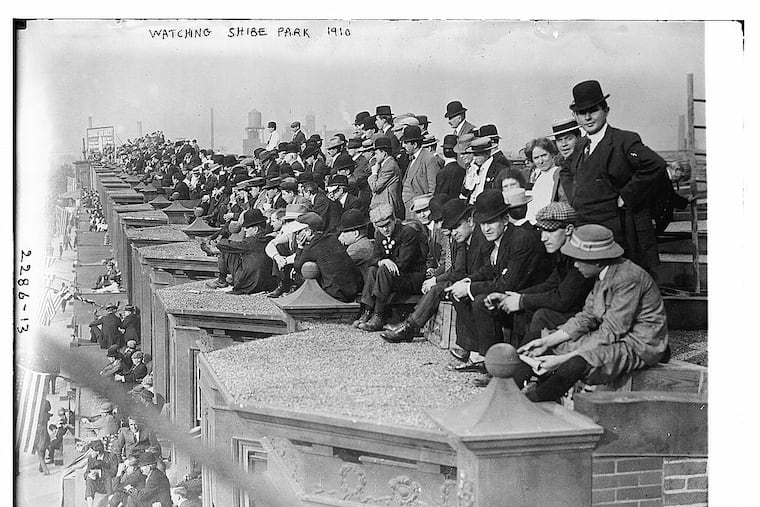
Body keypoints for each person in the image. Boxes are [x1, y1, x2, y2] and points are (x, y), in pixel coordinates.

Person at [516, 224, 669, 402]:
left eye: (579, 259)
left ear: (597, 260)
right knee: (537, 338)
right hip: (613, 336)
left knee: (577, 363)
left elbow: (612, 331)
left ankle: (534, 402)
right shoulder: (603, 273)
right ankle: (510, 395)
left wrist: (563, 358)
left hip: (638, 344)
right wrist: (546, 341)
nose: (575, 264)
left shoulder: (628, 278)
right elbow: (587, 316)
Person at [566, 79, 673, 272]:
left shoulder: (624, 140)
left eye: (594, 110)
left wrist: (627, 195)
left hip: (619, 230)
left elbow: (655, 165)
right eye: (582, 113)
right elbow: (568, 172)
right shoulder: (581, 145)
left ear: (606, 111)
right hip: (587, 229)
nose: (588, 117)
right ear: (576, 116)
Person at [445, 189, 550, 369]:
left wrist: (470, 289)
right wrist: (467, 282)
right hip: (512, 292)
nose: (486, 228)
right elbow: (490, 269)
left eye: (491, 222)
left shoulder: (520, 240)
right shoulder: (500, 238)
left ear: (505, 219)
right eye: (483, 223)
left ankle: (493, 363)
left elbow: (507, 284)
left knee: (480, 301)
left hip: (530, 297)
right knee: (462, 294)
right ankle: (479, 353)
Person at [484, 202, 595, 346]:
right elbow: (551, 284)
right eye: (542, 231)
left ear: (569, 229)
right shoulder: (563, 254)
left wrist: (522, 301)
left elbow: (563, 300)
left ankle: (522, 360)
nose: (543, 238)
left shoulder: (581, 258)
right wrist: (511, 296)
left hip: (587, 318)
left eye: (550, 231)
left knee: (542, 315)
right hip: (575, 313)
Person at [381, 198, 485, 343]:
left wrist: (436, 279)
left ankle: (410, 327)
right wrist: (433, 275)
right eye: (438, 221)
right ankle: (412, 322)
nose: (441, 225)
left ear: (470, 222)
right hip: (463, 279)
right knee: (433, 284)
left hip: (470, 282)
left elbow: (458, 271)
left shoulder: (462, 241)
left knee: (437, 288)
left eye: (445, 222)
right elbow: (448, 266)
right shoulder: (455, 239)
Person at [355, 204, 426, 332]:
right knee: (373, 269)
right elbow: (373, 259)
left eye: (387, 224)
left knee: (383, 269)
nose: (385, 229)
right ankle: (366, 310)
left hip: (411, 277)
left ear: (393, 219)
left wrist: (385, 263)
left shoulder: (407, 233)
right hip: (392, 276)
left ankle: (379, 315)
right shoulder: (380, 235)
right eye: (381, 227)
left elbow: (403, 264)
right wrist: (383, 260)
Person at [293, 212, 364, 302]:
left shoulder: (311, 247)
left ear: (309, 231)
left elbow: (297, 267)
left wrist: (300, 247)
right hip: (353, 289)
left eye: (299, 231)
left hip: (334, 293)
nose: (296, 234)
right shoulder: (333, 239)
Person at [212, 209, 277, 295]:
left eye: (247, 227)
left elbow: (227, 244)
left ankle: (222, 279)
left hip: (250, 284)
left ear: (255, 229)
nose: (245, 230)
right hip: (269, 284)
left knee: (227, 249)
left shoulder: (251, 241)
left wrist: (217, 243)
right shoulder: (270, 239)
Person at [400, 126, 440, 218]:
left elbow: (433, 188)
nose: (403, 146)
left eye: (406, 143)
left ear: (415, 144)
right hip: (410, 209)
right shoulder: (411, 158)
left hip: (421, 211)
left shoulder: (429, 159)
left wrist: (425, 211)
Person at [524, 137, 565, 222]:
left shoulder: (558, 173)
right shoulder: (538, 176)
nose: (540, 161)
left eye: (544, 155)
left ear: (552, 154)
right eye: (536, 158)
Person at [367, 136, 404, 219]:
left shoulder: (389, 166)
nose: (375, 157)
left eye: (376, 153)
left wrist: (374, 173)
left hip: (387, 206)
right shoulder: (385, 165)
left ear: (384, 153)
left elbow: (375, 187)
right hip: (383, 205)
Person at [337, 209, 375, 279]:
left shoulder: (356, 249)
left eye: (344, 232)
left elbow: (338, 267)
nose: (340, 236)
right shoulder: (367, 243)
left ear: (356, 233)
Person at [84, 439, 120, 507]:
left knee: (108, 477)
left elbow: (113, 472)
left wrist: (99, 473)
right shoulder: (91, 458)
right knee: (89, 479)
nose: (90, 453)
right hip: (96, 486)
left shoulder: (111, 456)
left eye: (92, 451)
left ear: (97, 451)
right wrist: (89, 475)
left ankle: (111, 505)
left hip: (109, 485)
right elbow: (85, 474)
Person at [445, 100, 475, 167]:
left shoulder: (470, 131)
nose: (449, 121)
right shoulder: (456, 132)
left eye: (450, 118)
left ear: (459, 118)